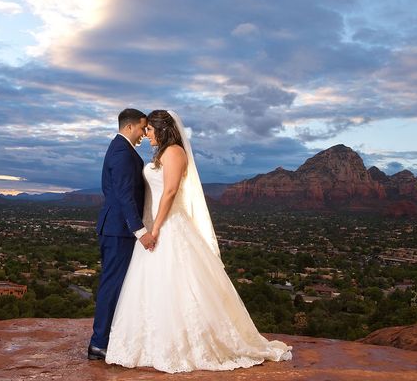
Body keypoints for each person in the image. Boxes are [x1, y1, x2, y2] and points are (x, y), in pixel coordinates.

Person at [105, 110, 292, 373]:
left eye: (149, 130)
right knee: (155, 284)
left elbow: (169, 192)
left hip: (167, 225)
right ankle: (151, 342)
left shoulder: (174, 152)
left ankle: (181, 344)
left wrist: (155, 229)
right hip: (154, 223)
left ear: (160, 129)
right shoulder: (161, 154)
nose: (146, 135)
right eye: (144, 130)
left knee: (177, 282)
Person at [88, 108, 157, 360]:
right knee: (112, 285)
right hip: (119, 230)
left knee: (118, 284)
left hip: (117, 229)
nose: (143, 133)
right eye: (142, 128)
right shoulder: (122, 153)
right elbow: (124, 194)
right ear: (129, 127)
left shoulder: (121, 149)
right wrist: (140, 231)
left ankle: (109, 339)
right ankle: (98, 343)